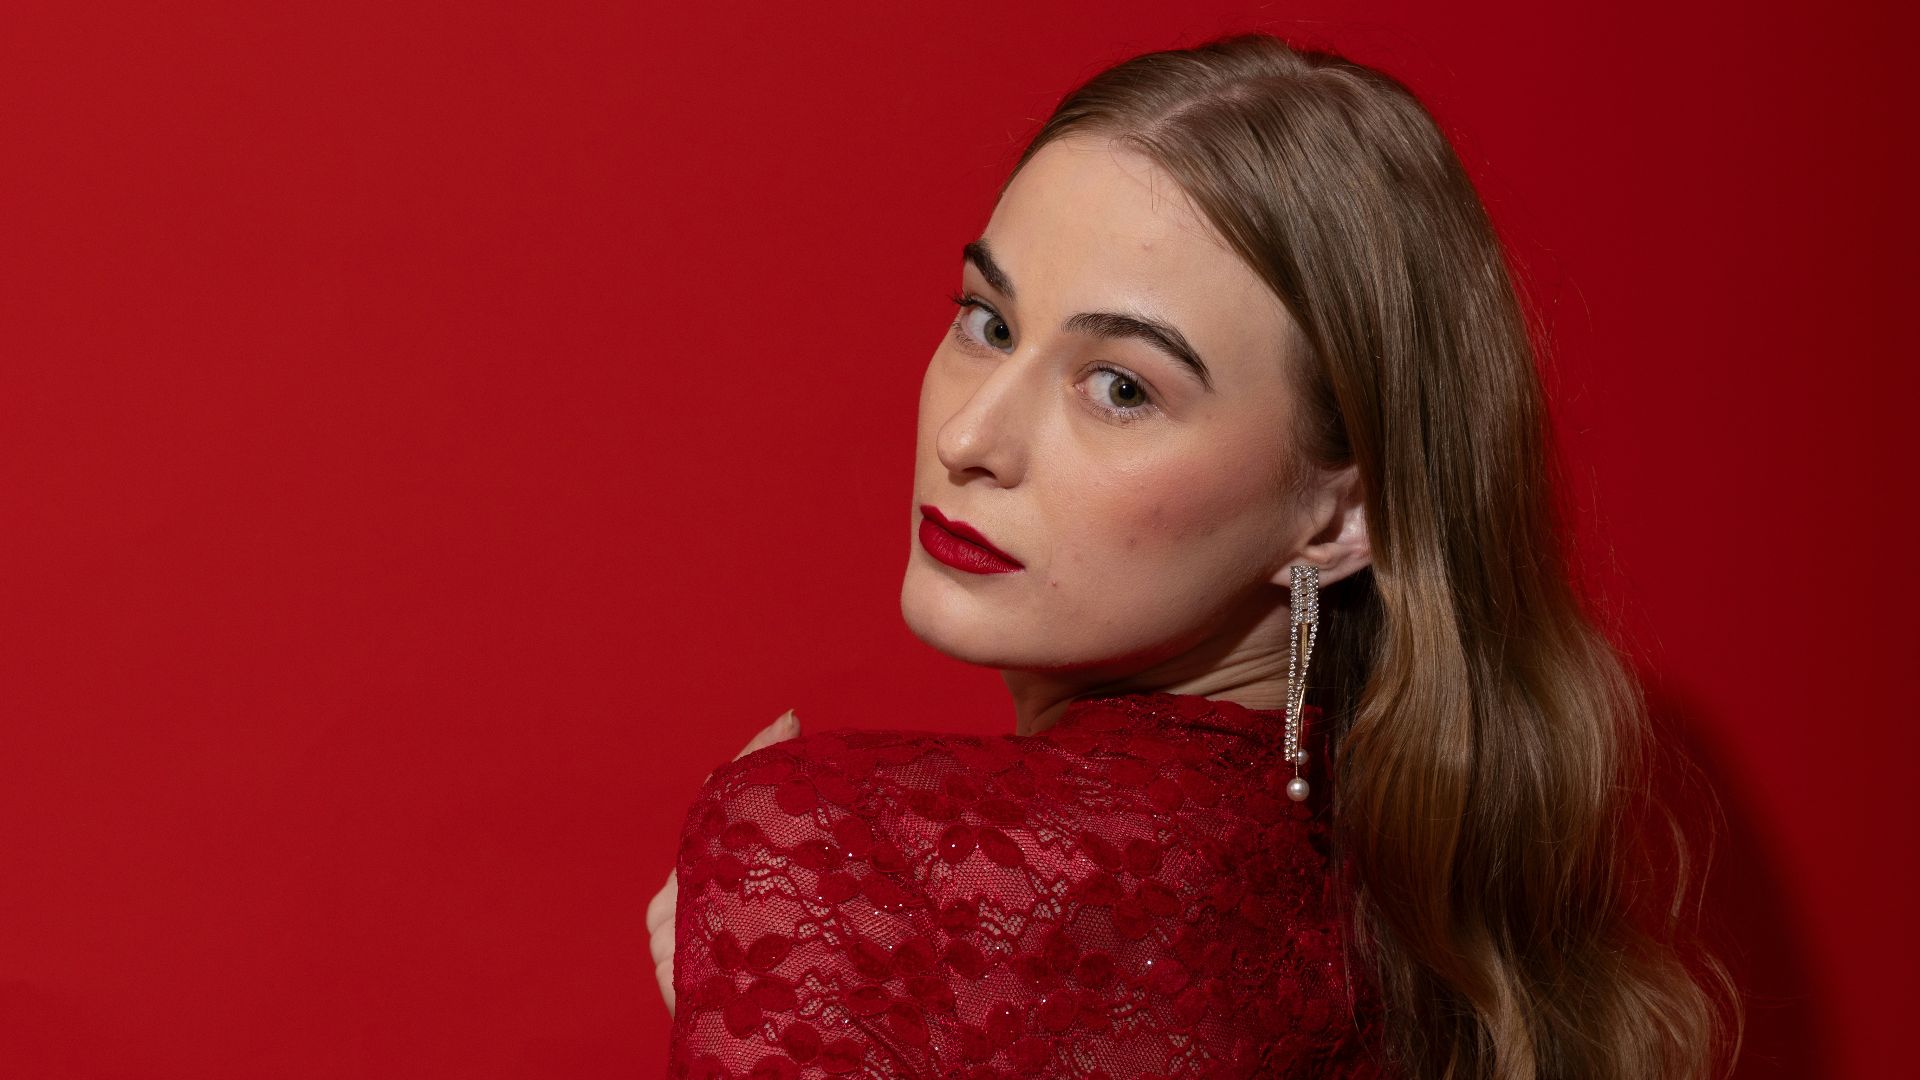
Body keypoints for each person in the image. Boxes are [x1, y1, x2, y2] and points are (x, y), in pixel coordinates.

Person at [648, 30, 1741, 1080]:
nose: (968, 438)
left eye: (1121, 388)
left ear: (1339, 519)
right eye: (987, 322)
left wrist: (787, 946)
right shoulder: (1436, 915)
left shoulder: (836, 845)